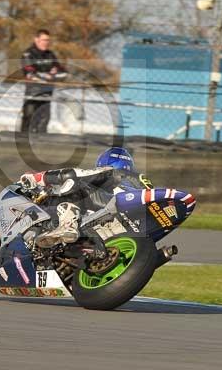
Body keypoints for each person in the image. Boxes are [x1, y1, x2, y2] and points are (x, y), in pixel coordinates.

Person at [19, 147, 167, 249]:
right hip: (135, 223)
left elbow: (75, 174)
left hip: (116, 207)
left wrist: (40, 178)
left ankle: (68, 225)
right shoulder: (140, 180)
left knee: (77, 183)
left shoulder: (112, 172)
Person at [20, 29, 67, 133]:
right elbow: (30, 74)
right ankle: (22, 143)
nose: (46, 43)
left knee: (44, 121)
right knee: (29, 118)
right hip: (32, 93)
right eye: (44, 40)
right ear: (36, 39)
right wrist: (48, 75)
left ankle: (40, 145)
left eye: (48, 40)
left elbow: (63, 72)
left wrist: (54, 74)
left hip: (47, 93)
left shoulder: (50, 54)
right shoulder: (28, 54)